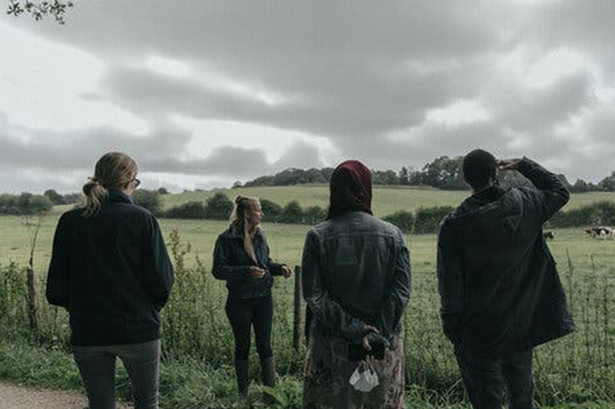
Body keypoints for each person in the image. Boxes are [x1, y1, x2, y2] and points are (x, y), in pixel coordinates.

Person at [437, 150, 575, 409]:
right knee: (522, 400)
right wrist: (524, 165)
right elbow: (560, 191)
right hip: (521, 323)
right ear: (496, 172)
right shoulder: (528, 204)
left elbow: (450, 283)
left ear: (466, 179)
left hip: (477, 329)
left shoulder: (454, 225)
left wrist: (451, 325)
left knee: (486, 401)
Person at [46, 152, 174, 409]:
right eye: (135, 182)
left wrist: (80, 308)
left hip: (88, 331)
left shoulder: (70, 221)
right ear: (129, 180)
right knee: (147, 404)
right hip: (138, 330)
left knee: (100, 404)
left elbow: (56, 289)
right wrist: (146, 310)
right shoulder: (142, 219)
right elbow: (162, 281)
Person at [301, 160, 412, 409]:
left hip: (332, 346)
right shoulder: (393, 235)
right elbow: (401, 291)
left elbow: (313, 294)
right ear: (366, 189)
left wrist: (355, 329)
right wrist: (375, 332)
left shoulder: (317, 236)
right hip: (382, 346)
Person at [212, 196, 292, 399]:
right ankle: (242, 396)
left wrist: (279, 268)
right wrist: (246, 271)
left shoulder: (261, 235)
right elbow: (218, 271)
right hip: (239, 301)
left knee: (265, 345)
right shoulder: (226, 239)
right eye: (259, 210)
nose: (262, 213)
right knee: (243, 346)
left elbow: (265, 264)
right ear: (247, 213)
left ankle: (271, 395)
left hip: (263, 298)